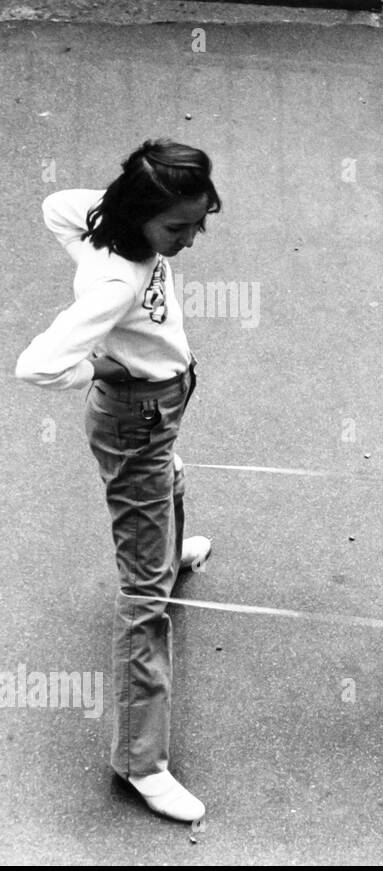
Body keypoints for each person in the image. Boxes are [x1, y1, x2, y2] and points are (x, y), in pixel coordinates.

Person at [16, 139, 222, 822]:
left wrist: (103, 223)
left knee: (174, 477)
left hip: (157, 409)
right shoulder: (116, 282)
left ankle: (170, 550)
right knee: (143, 595)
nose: (190, 238)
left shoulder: (114, 225)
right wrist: (98, 367)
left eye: (197, 221)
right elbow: (37, 364)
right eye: (178, 228)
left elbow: (56, 208)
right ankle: (140, 762)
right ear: (140, 216)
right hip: (137, 413)